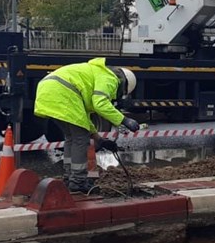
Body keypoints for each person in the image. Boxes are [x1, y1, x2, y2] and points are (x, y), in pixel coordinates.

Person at [34, 57, 140, 193]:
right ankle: (78, 181)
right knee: (80, 139)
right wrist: (124, 120)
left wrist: (99, 139)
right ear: (124, 84)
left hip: (48, 90)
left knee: (71, 137)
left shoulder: (94, 73)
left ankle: (69, 177)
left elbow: (83, 120)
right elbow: (100, 103)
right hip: (63, 92)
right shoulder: (110, 78)